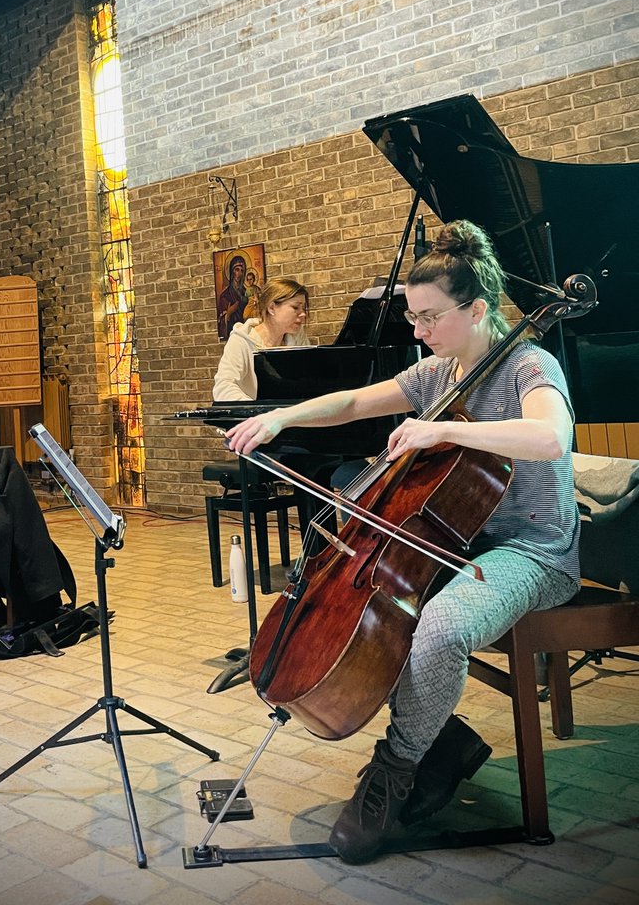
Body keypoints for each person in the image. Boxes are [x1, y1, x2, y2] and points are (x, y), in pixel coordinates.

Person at [225, 220, 580, 863]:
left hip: (533, 549)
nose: (417, 332)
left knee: (438, 628)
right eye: (412, 317)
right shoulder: (441, 370)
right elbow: (356, 401)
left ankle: (395, 769)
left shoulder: (531, 363)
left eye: (428, 317)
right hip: (458, 543)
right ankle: (444, 745)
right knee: (372, 619)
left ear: (475, 309)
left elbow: (551, 438)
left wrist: (448, 434)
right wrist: (282, 415)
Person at [213, 277, 310, 401]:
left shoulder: (298, 339)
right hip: (254, 419)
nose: (303, 314)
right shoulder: (241, 341)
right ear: (272, 308)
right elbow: (223, 387)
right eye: (296, 307)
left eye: (303, 308)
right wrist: (259, 412)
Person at [216, 255, 248, 340]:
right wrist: (229, 313)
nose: (239, 274)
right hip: (233, 336)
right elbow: (221, 324)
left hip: (247, 335)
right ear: (231, 271)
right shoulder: (225, 295)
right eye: (237, 270)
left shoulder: (246, 293)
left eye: (242, 271)